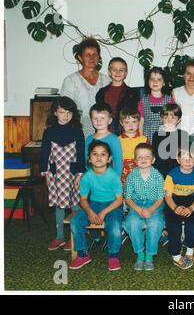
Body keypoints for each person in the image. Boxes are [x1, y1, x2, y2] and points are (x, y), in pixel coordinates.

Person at [69, 141, 124, 271]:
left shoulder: (113, 176)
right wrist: (89, 212)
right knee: (75, 222)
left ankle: (113, 255)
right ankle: (83, 254)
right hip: (93, 204)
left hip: (112, 205)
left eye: (103, 154)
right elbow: (82, 200)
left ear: (109, 159)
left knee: (116, 226)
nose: (98, 157)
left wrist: (104, 212)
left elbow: (119, 200)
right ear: (89, 158)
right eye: (94, 154)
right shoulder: (87, 177)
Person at [41, 97, 85, 251]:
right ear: (55, 113)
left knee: (75, 205)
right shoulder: (49, 132)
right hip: (56, 174)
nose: (65, 115)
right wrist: (46, 174)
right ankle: (59, 236)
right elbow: (45, 154)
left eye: (68, 112)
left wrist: (80, 174)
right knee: (59, 205)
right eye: (62, 112)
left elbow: (81, 155)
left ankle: (75, 236)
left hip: (73, 174)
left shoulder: (77, 132)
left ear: (73, 114)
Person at [124, 143, 165, 271]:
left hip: (154, 205)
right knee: (132, 222)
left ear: (153, 160)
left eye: (147, 156)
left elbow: (160, 198)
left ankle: (149, 256)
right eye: (140, 157)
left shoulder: (158, 176)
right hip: (136, 205)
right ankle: (140, 254)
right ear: (135, 161)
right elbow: (128, 198)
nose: (143, 159)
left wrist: (151, 210)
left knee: (155, 223)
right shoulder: (131, 176)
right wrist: (138, 209)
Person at [61, 37, 110, 138]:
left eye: (94, 54)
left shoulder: (107, 80)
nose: (91, 58)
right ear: (80, 57)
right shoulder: (70, 81)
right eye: (87, 55)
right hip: (79, 130)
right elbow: (65, 109)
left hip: (104, 129)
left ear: (99, 57)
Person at [164, 148, 194, 270]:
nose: (188, 161)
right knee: (174, 226)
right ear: (178, 159)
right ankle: (176, 255)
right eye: (184, 158)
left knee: (192, 225)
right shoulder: (171, 175)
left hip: (191, 201)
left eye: (191, 157)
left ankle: (190, 250)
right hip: (174, 201)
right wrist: (175, 208)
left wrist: (191, 209)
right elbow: (167, 196)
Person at [95, 57, 140, 136]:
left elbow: (135, 115)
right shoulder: (101, 93)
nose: (118, 72)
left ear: (126, 73)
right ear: (109, 72)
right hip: (106, 129)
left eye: (121, 70)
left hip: (126, 130)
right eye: (114, 70)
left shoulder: (133, 93)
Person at [85, 103, 123, 178]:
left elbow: (118, 163)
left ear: (110, 120)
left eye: (102, 118)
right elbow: (85, 160)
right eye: (95, 118)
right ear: (91, 120)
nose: (99, 121)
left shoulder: (114, 139)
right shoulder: (89, 139)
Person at [152, 103, 189, 177]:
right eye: (166, 117)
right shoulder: (156, 135)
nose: (169, 120)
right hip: (160, 170)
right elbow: (154, 155)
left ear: (179, 120)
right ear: (161, 119)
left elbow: (185, 155)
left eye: (173, 118)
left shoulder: (183, 134)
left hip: (177, 170)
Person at [139, 67, 174, 142]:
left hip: (165, 137)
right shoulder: (143, 101)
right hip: (147, 138)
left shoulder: (170, 100)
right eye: (152, 79)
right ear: (148, 81)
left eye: (159, 79)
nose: (155, 82)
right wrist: (141, 140)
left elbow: (173, 121)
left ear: (164, 83)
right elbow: (141, 123)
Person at [118, 107, 148, 186]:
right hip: (123, 172)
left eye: (134, 122)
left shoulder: (144, 139)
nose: (131, 125)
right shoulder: (117, 140)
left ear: (139, 122)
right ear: (121, 123)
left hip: (140, 169)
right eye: (127, 122)